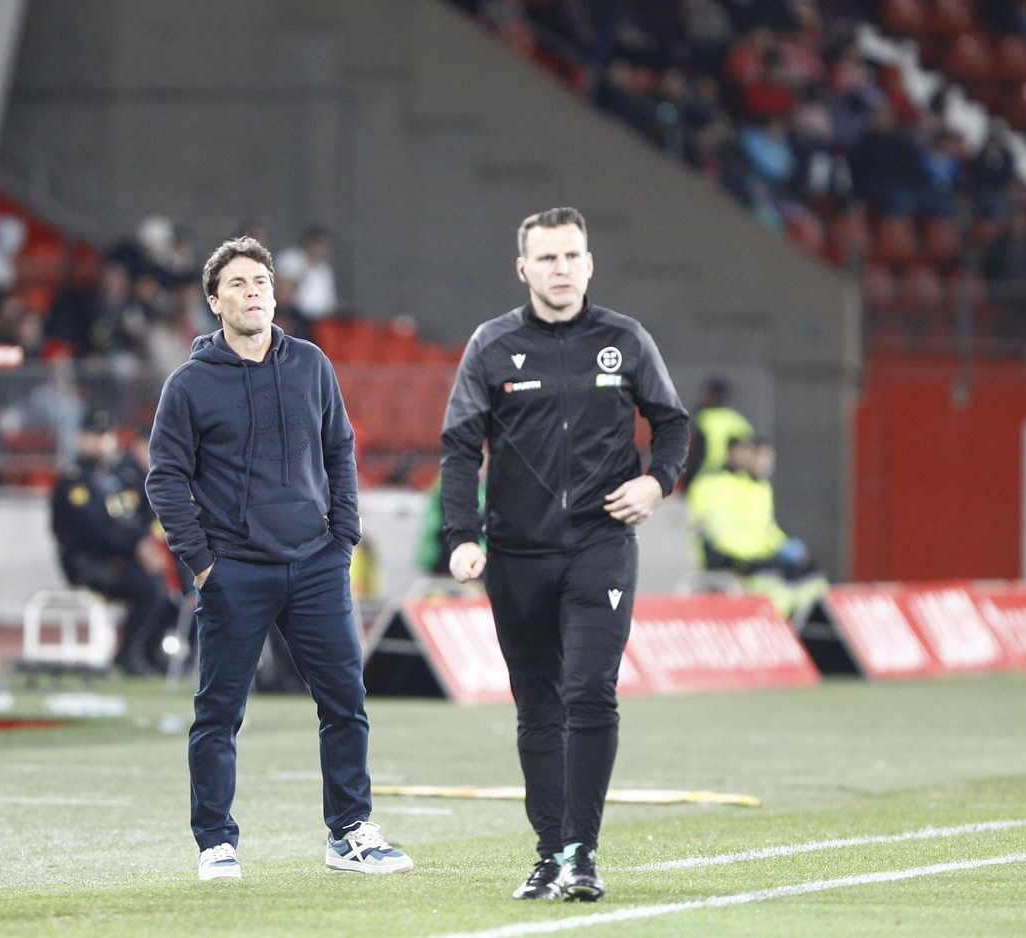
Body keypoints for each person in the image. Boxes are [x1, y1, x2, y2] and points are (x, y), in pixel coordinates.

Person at [439, 207, 689, 902]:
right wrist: (461, 537)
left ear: (590, 264)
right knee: (537, 706)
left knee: (589, 691)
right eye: (547, 258)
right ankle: (550, 853)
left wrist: (656, 482)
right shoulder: (491, 344)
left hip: (600, 546)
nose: (561, 269)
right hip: (516, 554)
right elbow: (459, 448)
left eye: (572, 256)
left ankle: (581, 853)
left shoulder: (625, 340)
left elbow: (673, 424)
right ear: (523, 268)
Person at [146, 236, 411, 881]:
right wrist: (203, 564)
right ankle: (215, 843)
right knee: (219, 712)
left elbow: (340, 449)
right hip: (235, 570)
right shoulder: (189, 384)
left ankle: (349, 833)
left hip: (317, 564)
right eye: (237, 284)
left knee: (345, 701)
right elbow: (164, 478)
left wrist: (342, 538)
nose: (253, 292)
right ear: (215, 302)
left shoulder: (311, 364)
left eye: (260, 282)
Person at [51, 411, 175, 675]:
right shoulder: (73, 480)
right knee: (151, 589)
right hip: (86, 563)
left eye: (106, 435)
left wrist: (141, 545)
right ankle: (128, 654)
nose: (102, 442)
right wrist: (134, 549)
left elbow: (129, 522)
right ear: (81, 438)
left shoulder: (111, 478)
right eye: (95, 435)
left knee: (166, 587)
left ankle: (147, 652)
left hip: (115, 560)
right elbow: (94, 530)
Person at [687, 438, 828, 619]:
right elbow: (719, 531)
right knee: (775, 580)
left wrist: (782, 546)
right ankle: (773, 624)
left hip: (756, 554)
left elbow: (764, 527)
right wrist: (759, 554)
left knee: (810, 572)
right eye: (760, 457)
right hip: (729, 557)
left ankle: (798, 623)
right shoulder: (712, 484)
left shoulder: (757, 486)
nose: (766, 464)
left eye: (770, 459)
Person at [681, 377, 754, 495]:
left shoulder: (702, 418)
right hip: (738, 481)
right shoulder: (738, 421)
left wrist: (688, 480)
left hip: (705, 478)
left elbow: (694, 454)